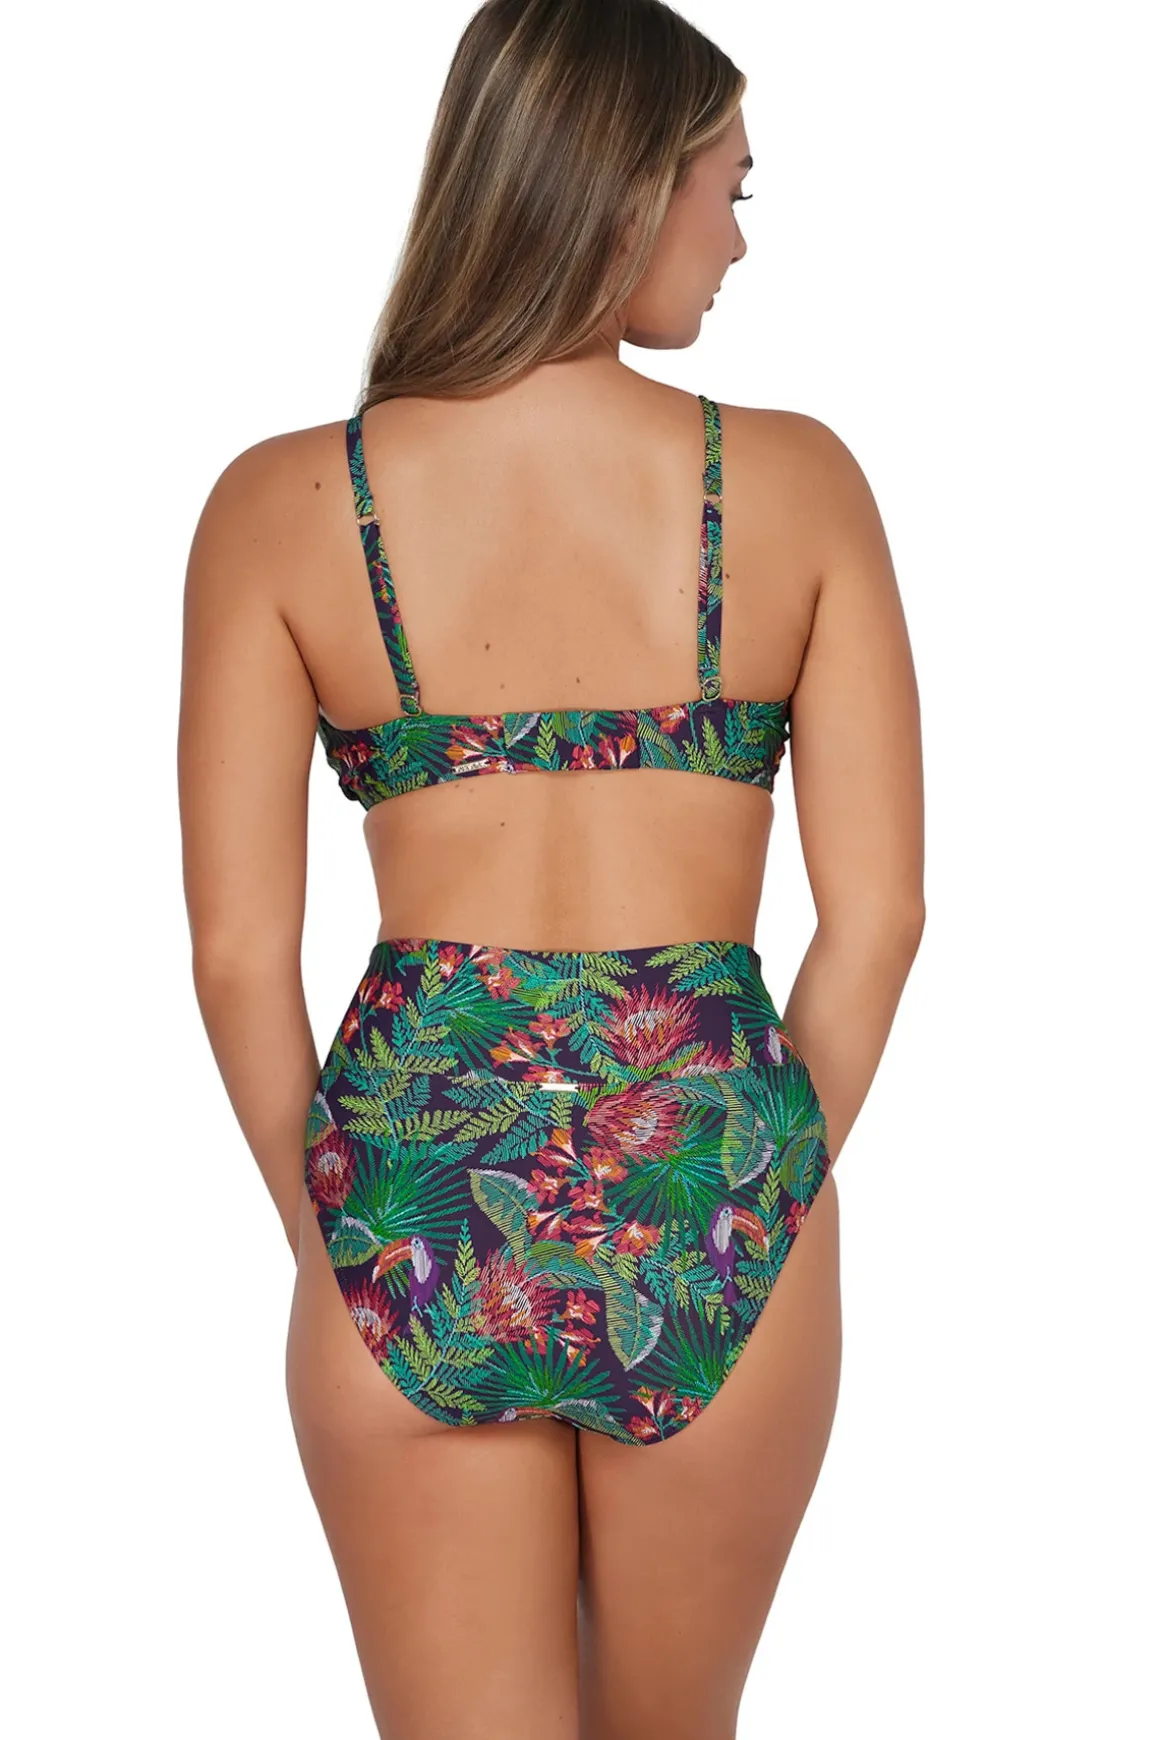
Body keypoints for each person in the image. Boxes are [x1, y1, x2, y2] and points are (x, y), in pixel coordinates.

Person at [178, 1, 924, 1734]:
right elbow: (881, 914)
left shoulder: (283, 505)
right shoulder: (796, 483)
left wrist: (340, 1240)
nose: (737, 240)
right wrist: (757, 1181)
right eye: (731, 188)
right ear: (625, 183)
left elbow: (234, 958)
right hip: (713, 1164)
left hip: (414, 1182)